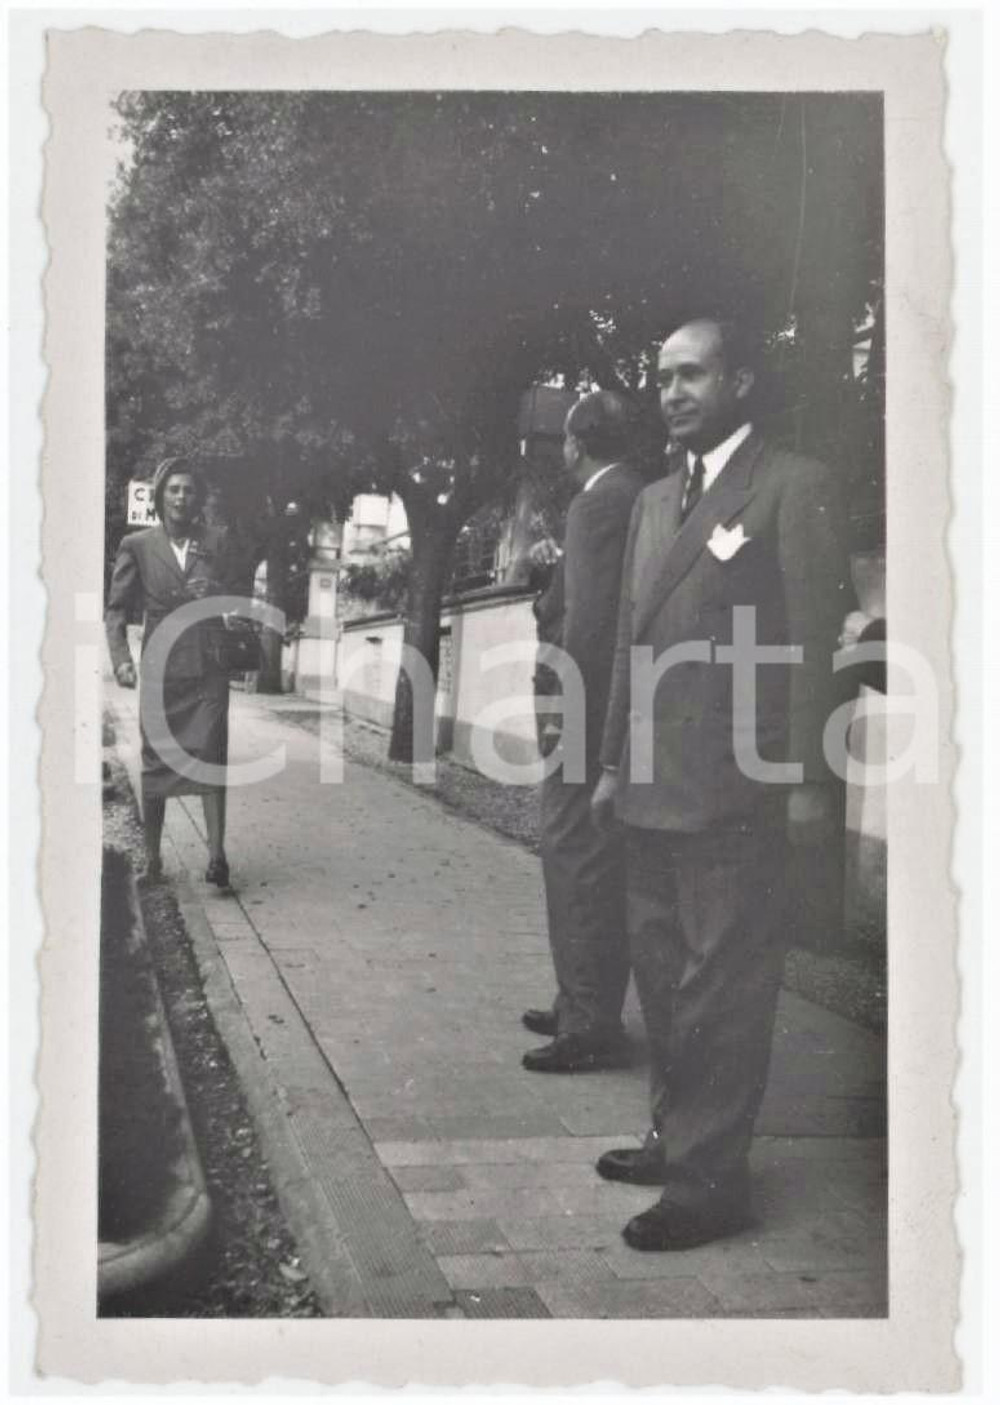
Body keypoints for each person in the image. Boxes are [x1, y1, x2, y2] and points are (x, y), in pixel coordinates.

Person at [590, 317, 854, 1249]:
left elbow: (817, 648)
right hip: (655, 783)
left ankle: (710, 1186)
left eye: (692, 374)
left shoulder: (791, 484)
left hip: (741, 787)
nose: (671, 392)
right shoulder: (656, 500)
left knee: (723, 988)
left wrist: (810, 779)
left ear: (740, 382)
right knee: (662, 974)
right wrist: (614, 760)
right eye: (662, 377)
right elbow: (632, 640)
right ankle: (676, 1135)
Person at [522, 390, 647, 1073]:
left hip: (586, 709)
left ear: (577, 443)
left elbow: (592, 624)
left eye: (565, 440)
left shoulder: (595, 502)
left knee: (572, 859)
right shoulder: (637, 491)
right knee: (598, 865)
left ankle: (588, 1018)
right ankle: (583, 1000)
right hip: (615, 710)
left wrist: (559, 711)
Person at [105, 456, 243, 887]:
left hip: (208, 668)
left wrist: (217, 592)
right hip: (162, 668)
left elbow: (240, 598)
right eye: (174, 489)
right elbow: (116, 610)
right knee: (157, 760)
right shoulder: (138, 545)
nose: (182, 497)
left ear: (198, 498)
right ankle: (153, 860)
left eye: (189, 490)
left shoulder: (218, 541)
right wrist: (121, 658)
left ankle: (217, 858)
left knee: (211, 757)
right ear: (160, 495)